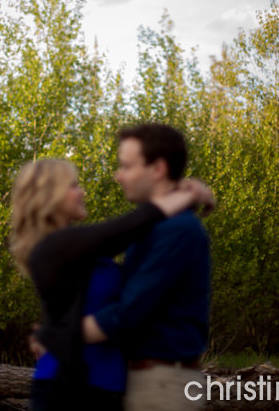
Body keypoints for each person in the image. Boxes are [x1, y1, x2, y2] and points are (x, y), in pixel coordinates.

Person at [10, 158, 212, 411]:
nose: (82, 192)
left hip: (107, 387)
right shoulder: (53, 248)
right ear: (50, 197)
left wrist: (53, 331)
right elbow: (129, 226)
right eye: (73, 186)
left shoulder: (82, 250)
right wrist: (188, 194)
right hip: (70, 387)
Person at [82, 123, 211, 411]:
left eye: (127, 166)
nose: (119, 175)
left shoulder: (176, 230)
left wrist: (61, 335)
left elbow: (129, 312)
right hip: (148, 380)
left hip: (161, 385)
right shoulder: (155, 226)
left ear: (158, 169)